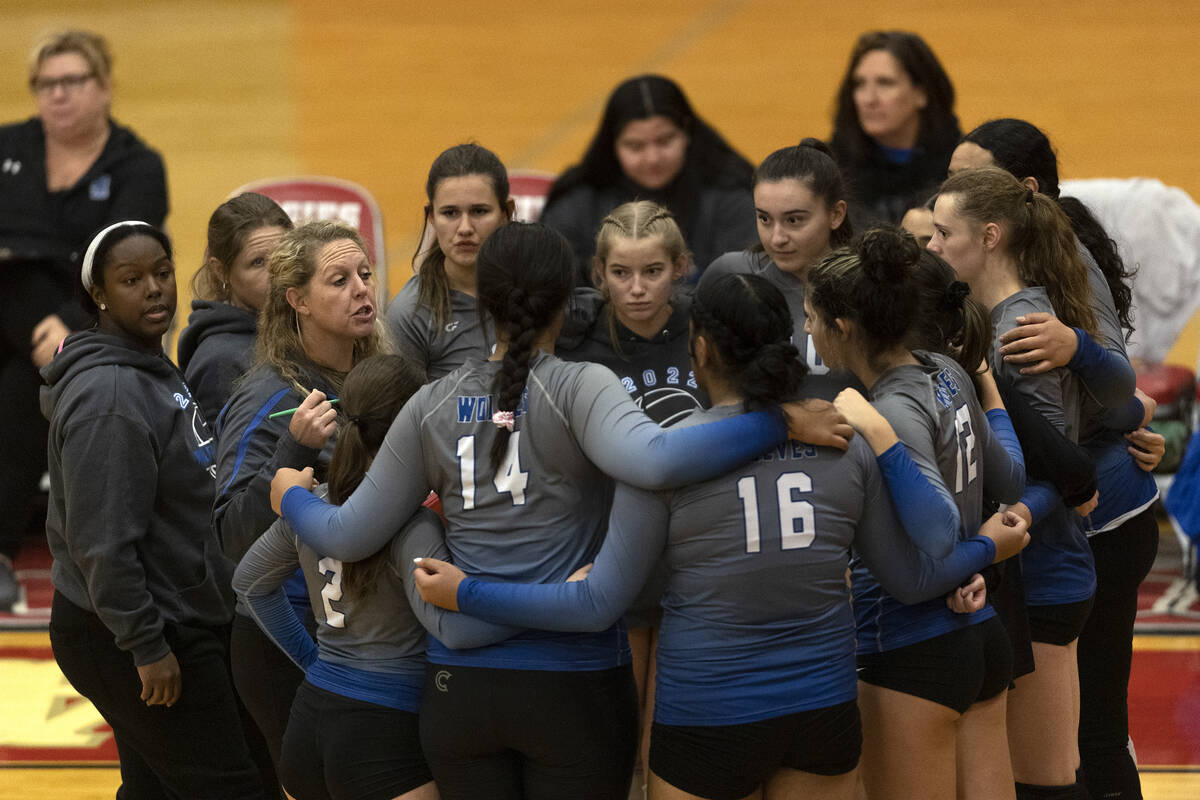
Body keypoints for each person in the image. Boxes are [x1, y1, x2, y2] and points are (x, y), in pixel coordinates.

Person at [271, 222, 854, 800]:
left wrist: (290, 496)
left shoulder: (432, 401)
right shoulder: (582, 386)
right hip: (573, 688)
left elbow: (347, 535)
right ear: (567, 305)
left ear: (484, 303)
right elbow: (655, 461)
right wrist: (776, 419)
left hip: (464, 693)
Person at [409, 270, 1029, 800]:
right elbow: (911, 578)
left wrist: (469, 594)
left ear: (699, 349)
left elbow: (599, 603)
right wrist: (988, 549)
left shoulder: (670, 461)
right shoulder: (848, 446)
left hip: (710, 714)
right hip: (821, 709)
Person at [947, 118, 1164, 800]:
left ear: (1015, 200)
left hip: (1100, 519)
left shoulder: (1044, 280)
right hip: (1066, 519)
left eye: (967, 179)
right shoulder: (970, 281)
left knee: (1089, 735)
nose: (950, 192)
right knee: (1054, 743)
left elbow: (1114, 398)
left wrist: (1088, 364)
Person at [42, 221, 263, 799]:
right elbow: (102, 545)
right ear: (99, 295)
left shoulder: (148, 364)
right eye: (131, 279)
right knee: (235, 787)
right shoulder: (110, 399)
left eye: (162, 273)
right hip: (130, 630)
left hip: (175, 611)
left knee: (158, 788)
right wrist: (145, 646)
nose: (155, 290)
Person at [235, 353, 519, 800]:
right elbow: (454, 630)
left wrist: (318, 664)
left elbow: (250, 584)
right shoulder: (413, 523)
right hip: (384, 734)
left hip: (310, 722)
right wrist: (561, 600)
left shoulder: (311, 504)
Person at [805, 228, 1025, 799]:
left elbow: (935, 534)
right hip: (980, 638)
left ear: (843, 328)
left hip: (910, 652)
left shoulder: (891, 411)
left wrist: (878, 435)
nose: (807, 329)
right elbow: (1011, 480)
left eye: (811, 317)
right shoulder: (944, 370)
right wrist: (992, 399)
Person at [214, 220, 390, 785]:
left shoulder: (381, 373)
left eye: (365, 274)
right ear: (298, 301)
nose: (361, 289)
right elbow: (231, 537)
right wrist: (295, 448)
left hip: (362, 625)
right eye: (338, 280)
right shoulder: (267, 396)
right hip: (286, 631)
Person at [0, 29, 167, 609]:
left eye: (72, 81)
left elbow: (122, 266)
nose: (58, 95)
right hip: (12, 312)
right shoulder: (8, 147)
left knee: (29, 379)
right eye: (46, 84)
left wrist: (70, 321)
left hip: (92, 324)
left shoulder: (138, 166)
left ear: (104, 87)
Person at [559, 200, 704, 784]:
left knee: (668, 741)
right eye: (621, 274)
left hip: (694, 550)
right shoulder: (576, 338)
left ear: (681, 267)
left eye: (653, 272)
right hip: (612, 549)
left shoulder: (706, 327)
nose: (637, 288)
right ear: (598, 275)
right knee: (616, 747)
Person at [540, 75, 756, 283]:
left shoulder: (731, 196)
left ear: (687, 134)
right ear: (612, 146)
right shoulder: (578, 201)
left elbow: (744, 285)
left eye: (665, 141)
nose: (653, 158)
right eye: (635, 146)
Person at [702, 139, 858, 400]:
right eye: (764, 218)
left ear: (836, 214)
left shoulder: (869, 287)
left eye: (793, 220)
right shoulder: (730, 276)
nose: (776, 238)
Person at [386, 143, 515, 380]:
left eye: (479, 211)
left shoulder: (541, 291)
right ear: (432, 217)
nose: (465, 228)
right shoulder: (410, 314)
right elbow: (406, 413)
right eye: (450, 213)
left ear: (506, 212)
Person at [178, 192, 293, 428]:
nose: (277, 275)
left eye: (284, 256)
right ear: (220, 271)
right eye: (258, 262)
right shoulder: (219, 362)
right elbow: (223, 462)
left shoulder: (303, 327)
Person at [830, 31, 959, 227]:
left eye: (885, 83)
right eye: (859, 84)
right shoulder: (828, 169)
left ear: (922, 93)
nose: (869, 99)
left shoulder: (960, 168)